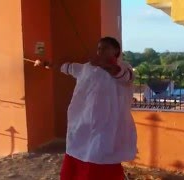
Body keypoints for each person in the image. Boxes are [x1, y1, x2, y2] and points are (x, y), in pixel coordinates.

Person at [36, 37, 137, 180]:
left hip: (108, 127)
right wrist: (45, 63)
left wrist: (102, 64)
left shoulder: (124, 67)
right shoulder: (87, 67)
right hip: (83, 125)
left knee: (99, 158)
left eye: (105, 48)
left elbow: (121, 74)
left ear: (116, 50)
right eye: (99, 48)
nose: (101, 51)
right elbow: (65, 67)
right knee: (78, 154)